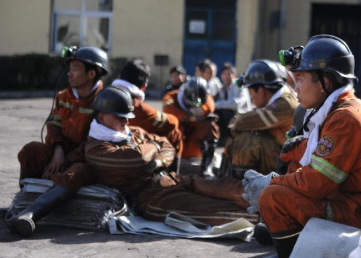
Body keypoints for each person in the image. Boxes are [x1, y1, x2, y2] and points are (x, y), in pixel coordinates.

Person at [243, 35, 361, 257]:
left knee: (272, 198)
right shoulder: (346, 108)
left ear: (326, 82)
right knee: (294, 155)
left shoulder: (345, 119)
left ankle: (294, 249)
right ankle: (290, 232)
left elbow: (315, 184)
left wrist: (271, 182)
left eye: (301, 79)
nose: (296, 89)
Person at [84, 86, 257, 226]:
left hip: (173, 179)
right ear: (101, 116)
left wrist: (158, 161)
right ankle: (266, 220)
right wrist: (153, 146)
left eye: (127, 117)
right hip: (153, 198)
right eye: (120, 117)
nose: (126, 122)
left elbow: (167, 146)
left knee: (226, 186)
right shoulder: (96, 149)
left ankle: (269, 201)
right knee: (212, 209)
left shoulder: (133, 132)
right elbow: (137, 157)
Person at [7, 46, 108, 236]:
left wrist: (67, 159)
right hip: (59, 152)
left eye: (75, 68)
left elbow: (97, 142)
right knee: (32, 150)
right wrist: (58, 151)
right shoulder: (64, 96)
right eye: (69, 67)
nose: (69, 73)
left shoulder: (105, 101)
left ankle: (30, 215)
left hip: (86, 160)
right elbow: (53, 125)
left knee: (76, 173)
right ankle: (21, 203)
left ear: (91, 73)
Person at [220, 60, 298, 179]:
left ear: (261, 91)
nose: (251, 98)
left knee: (247, 139)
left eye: (251, 93)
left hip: (290, 166)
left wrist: (234, 127)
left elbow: (242, 122)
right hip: (284, 157)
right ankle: (228, 178)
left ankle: (240, 186)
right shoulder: (282, 97)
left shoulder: (285, 104)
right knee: (247, 133)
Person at [111, 59, 183, 166]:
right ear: (144, 86)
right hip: (124, 149)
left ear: (120, 77)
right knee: (174, 133)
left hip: (96, 145)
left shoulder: (103, 95)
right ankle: (170, 175)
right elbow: (172, 122)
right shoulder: (138, 106)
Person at [162, 76, 219, 177]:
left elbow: (210, 106)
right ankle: (171, 167)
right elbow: (169, 112)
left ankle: (207, 166)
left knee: (210, 124)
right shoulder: (170, 97)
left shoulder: (206, 97)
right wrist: (191, 116)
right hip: (178, 142)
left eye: (197, 104)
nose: (194, 105)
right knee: (173, 125)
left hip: (195, 142)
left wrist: (190, 114)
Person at [214, 62, 252, 145]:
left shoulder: (239, 85)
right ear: (221, 76)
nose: (227, 77)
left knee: (226, 111)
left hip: (242, 115)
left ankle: (232, 138)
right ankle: (221, 138)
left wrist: (217, 104)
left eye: (230, 74)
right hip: (229, 116)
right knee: (215, 114)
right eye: (224, 74)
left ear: (234, 75)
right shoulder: (222, 88)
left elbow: (236, 104)